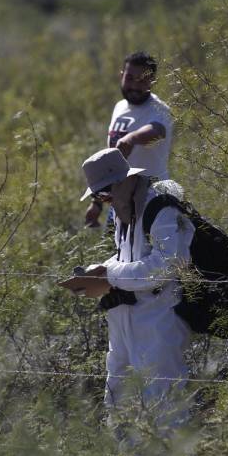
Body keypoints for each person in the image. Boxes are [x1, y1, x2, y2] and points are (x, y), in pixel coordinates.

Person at [73, 147, 194, 432]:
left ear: (120, 182)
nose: (104, 202)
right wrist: (100, 270)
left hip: (159, 319)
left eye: (103, 195)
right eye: (98, 198)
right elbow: (127, 259)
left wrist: (110, 274)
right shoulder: (124, 210)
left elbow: (166, 266)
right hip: (125, 319)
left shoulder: (161, 208)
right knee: (118, 396)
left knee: (164, 401)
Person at [85, 52, 174, 228]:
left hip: (151, 200)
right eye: (130, 78)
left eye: (141, 80)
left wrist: (132, 138)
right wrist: (97, 203)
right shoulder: (120, 107)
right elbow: (111, 161)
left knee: (147, 255)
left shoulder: (159, 110)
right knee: (115, 254)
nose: (134, 85)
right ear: (122, 75)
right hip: (120, 202)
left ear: (152, 81)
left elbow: (157, 130)